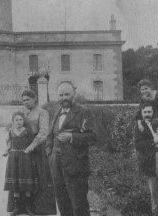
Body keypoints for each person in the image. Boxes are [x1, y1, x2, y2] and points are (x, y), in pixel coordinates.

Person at [46, 82, 96, 216]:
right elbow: (49, 135)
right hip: (56, 165)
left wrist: (72, 137)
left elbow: (93, 137)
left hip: (76, 165)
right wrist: (50, 155)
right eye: (61, 95)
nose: (64, 98)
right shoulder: (55, 112)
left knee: (79, 205)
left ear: (74, 94)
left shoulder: (83, 111)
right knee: (62, 204)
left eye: (67, 94)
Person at [8, 89, 56, 216]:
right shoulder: (22, 113)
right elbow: (13, 128)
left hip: (36, 150)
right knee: (20, 177)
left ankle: (36, 208)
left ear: (35, 99)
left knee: (37, 177)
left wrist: (32, 145)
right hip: (21, 151)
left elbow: (44, 132)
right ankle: (19, 207)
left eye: (28, 100)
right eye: (23, 100)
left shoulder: (42, 112)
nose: (25, 102)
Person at [134, 101, 158, 216]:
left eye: (149, 111)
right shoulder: (140, 127)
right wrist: (153, 141)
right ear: (141, 113)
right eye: (145, 112)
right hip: (151, 161)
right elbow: (138, 144)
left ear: (153, 112)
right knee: (154, 193)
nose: (147, 114)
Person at [3, 111, 38, 216]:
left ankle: (28, 207)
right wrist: (6, 151)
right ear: (13, 121)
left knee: (26, 182)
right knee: (15, 183)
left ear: (24, 121)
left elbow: (32, 143)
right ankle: (17, 208)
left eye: (20, 120)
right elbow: (9, 144)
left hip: (25, 157)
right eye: (16, 120)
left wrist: (29, 149)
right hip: (13, 159)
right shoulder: (10, 132)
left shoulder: (27, 131)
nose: (18, 122)